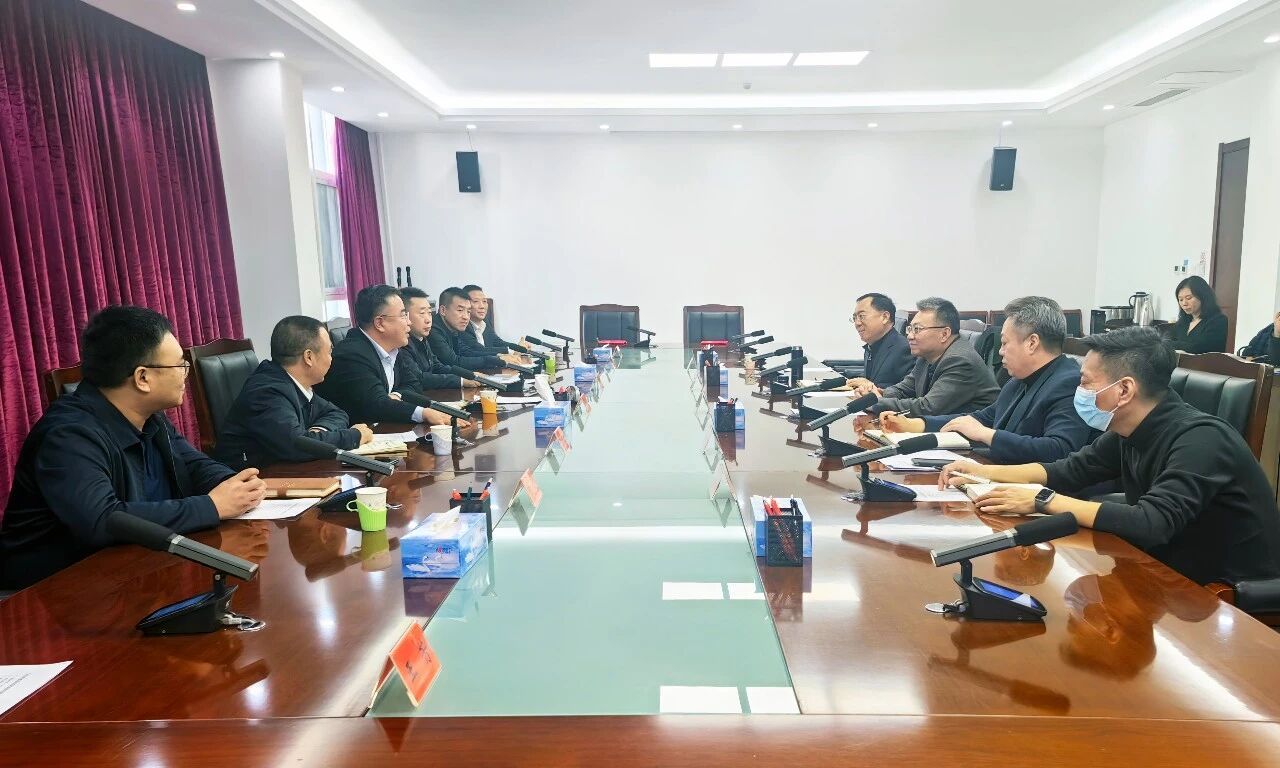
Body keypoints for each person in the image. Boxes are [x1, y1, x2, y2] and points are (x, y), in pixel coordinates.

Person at [940, 326, 1280, 586]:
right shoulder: (1129, 430)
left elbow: (1152, 522)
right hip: (1169, 572)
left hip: (1226, 593)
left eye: (1086, 383)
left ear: (1124, 390)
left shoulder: (1201, 439)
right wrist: (982, 473)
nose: (1079, 392)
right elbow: (1068, 470)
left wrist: (1043, 500)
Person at [1, 306, 267, 590]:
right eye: (180, 366)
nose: (186, 374)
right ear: (142, 378)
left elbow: (193, 464)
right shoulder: (67, 435)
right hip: (49, 593)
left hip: (132, 572)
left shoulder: (149, 417)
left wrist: (236, 485)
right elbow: (102, 520)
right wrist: (212, 506)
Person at [880, 297, 1093, 463]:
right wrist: (916, 424)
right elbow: (980, 418)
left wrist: (987, 435)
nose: (1000, 352)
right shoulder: (1019, 380)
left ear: (1032, 343)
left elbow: (1059, 449)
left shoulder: (1069, 383)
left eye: (1004, 343)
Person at [214, 316, 374, 470]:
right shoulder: (267, 392)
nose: (331, 359)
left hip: (286, 469)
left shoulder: (294, 382)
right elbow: (298, 447)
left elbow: (337, 413)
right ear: (309, 357)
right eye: (329, 352)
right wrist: (354, 436)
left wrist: (318, 431)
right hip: (254, 477)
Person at [316, 285, 463, 427]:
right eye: (403, 315)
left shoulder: (393, 348)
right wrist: (423, 413)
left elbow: (414, 384)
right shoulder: (352, 355)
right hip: (351, 435)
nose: (409, 322)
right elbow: (376, 405)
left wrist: (396, 395)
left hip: (382, 427)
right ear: (380, 323)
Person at [856, 297, 999, 417]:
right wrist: (877, 393)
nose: (909, 336)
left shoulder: (960, 361)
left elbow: (928, 407)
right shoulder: (926, 356)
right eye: (910, 329)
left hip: (969, 439)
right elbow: (904, 389)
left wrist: (876, 402)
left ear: (944, 334)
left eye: (917, 329)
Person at [399, 287, 479, 389]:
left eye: (429, 313)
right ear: (404, 316)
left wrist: (470, 375)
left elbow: (437, 366)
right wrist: (461, 381)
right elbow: (418, 378)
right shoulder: (402, 344)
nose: (428, 320)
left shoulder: (422, 338)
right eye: (422, 313)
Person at [430, 286, 512, 371]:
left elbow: (467, 352)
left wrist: (499, 356)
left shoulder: (452, 327)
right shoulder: (433, 330)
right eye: (460, 310)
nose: (466, 317)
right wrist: (491, 360)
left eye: (468, 311)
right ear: (443, 310)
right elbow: (453, 361)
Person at [844, 293, 913, 390]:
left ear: (885, 317)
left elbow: (908, 391)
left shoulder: (905, 349)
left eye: (862, 316)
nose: (857, 323)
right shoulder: (872, 345)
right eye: (855, 318)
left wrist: (871, 386)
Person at [1168, 275, 1227, 354]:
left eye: (1188, 298)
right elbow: (1167, 342)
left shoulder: (1218, 320)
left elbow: (1200, 348)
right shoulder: (1183, 322)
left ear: (1203, 296)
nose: (1184, 303)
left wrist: (1175, 345)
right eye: (1181, 299)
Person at [462, 284, 525, 352]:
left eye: (484, 301)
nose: (482, 306)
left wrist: (519, 348)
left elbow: (497, 342)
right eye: (476, 301)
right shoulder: (463, 325)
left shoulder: (485, 322)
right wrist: (510, 351)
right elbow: (478, 350)